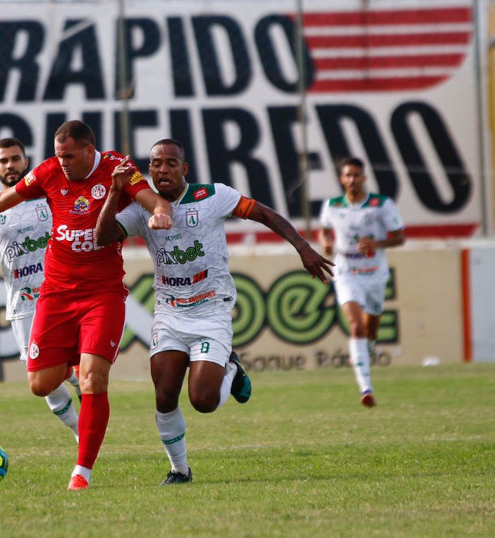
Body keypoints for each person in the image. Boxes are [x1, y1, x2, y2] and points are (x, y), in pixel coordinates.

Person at [0, 120, 173, 490]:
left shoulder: (117, 168)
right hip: (55, 294)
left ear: (90, 149)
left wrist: (160, 211)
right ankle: (77, 364)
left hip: (102, 293)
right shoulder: (49, 173)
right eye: (58, 155)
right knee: (40, 384)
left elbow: (152, 199)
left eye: (69, 155)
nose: (63, 162)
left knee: (93, 379)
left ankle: (81, 472)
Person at [95, 139, 334, 484]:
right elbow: (103, 237)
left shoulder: (212, 197)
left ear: (184, 169)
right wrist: (114, 194)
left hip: (211, 310)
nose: (162, 170)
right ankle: (179, 470)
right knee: (164, 395)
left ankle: (231, 371)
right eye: (156, 163)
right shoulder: (140, 209)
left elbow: (264, 213)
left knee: (203, 400)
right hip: (170, 312)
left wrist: (303, 248)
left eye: (171, 163)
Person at [0, 137, 81, 442]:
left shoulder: (50, 195)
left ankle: (82, 426)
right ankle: (78, 428)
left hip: (61, 293)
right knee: (43, 382)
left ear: (25, 161)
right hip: (23, 304)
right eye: (4, 161)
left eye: (15, 159)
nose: (11, 165)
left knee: (68, 362)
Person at [319, 156, 405, 408]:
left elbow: (400, 237)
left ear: (364, 178)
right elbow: (325, 228)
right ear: (341, 179)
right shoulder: (332, 205)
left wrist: (377, 244)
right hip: (346, 269)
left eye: (357, 175)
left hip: (375, 272)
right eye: (348, 175)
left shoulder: (381, 205)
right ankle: (366, 388)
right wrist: (325, 242)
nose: (352, 180)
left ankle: (362, 352)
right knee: (356, 327)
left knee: (371, 331)